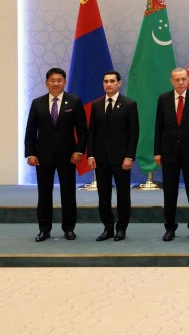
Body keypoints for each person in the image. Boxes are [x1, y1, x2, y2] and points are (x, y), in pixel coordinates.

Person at [24, 67, 87, 241]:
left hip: (68, 156)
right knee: (44, 194)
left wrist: (79, 151)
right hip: (42, 156)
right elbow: (30, 130)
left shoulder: (74, 102)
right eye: (52, 80)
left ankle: (69, 228)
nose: (56, 83)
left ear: (64, 82)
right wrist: (30, 153)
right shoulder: (37, 103)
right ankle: (44, 229)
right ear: (46, 83)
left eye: (59, 80)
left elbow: (82, 130)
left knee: (68, 193)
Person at [154, 67, 189, 241]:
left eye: (183, 79)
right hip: (169, 153)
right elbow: (158, 127)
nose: (180, 82)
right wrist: (157, 151)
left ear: (188, 79)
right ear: (171, 81)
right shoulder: (163, 99)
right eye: (177, 79)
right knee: (170, 192)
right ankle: (170, 228)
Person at [86, 71, 139, 241]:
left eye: (112, 81)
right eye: (106, 81)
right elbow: (91, 132)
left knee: (123, 195)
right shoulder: (96, 105)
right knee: (104, 195)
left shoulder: (129, 104)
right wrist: (91, 155)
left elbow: (134, 133)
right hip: (101, 159)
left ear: (119, 83)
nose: (109, 84)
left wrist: (129, 156)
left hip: (121, 159)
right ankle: (108, 228)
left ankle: (121, 228)